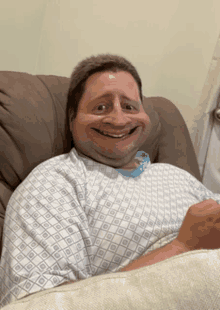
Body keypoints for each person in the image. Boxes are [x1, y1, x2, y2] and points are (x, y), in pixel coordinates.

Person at [1, 53, 220, 308]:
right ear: (73, 119)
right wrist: (182, 246)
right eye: (101, 107)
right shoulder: (55, 183)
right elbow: (40, 304)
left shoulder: (173, 174)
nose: (118, 119)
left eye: (129, 107)